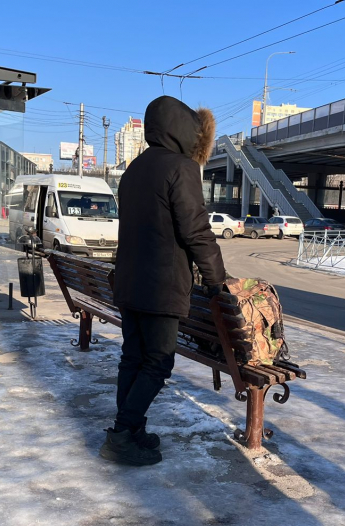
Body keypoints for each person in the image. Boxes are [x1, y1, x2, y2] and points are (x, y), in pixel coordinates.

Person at [101, 96, 225, 466]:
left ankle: (132, 428)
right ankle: (122, 434)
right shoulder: (182, 168)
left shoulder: (135, 169)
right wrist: (217, 281)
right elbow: (196, 230)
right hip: (160, 284)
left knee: (133, 358)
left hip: (129, 281)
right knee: (157, 362)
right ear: (187, 131)